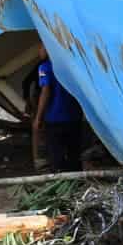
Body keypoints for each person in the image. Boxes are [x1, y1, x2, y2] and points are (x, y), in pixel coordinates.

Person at [34, 44, 84, 173]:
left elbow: (46, 91)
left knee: (56, 155)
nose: (38, 51)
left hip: (55, 118)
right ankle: (76, 182)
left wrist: (38, 118)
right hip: (74, 117)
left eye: (41, 47)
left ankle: (60, 178)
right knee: (74, 153)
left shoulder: (45, 67)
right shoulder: (70, 66)